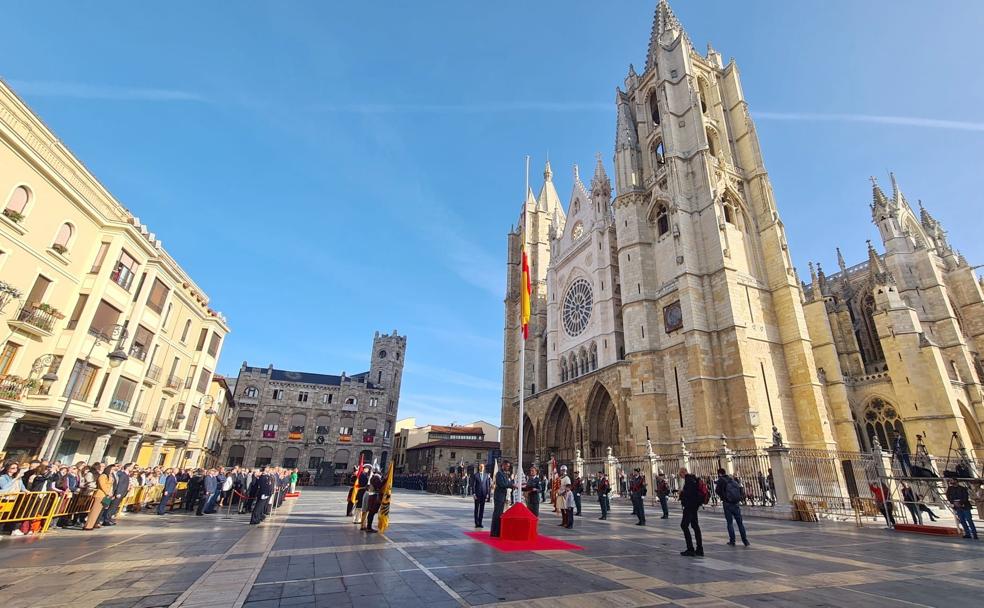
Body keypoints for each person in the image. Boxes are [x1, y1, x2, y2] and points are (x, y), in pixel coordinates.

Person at [714, 468, 749, 546]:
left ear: (719, 474)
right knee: (740, 523)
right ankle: (745, 540)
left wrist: (723, 496)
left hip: (727, 504)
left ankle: (732, 541)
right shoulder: (731, 479)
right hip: (736, 503)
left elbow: (717, 491)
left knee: (729, 523)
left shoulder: (721, 480)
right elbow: (740, 489)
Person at [678, 467, 704, 557]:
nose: (680, 476)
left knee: (684, 525)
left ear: (683, 472)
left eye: (680, 474)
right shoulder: (694, 479)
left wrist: (681, 493)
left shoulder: (688, 480)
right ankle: (700, 549)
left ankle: (690, 549)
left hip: (689, 506)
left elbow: (689, 494)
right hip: (694, 506)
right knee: (695, 526)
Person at [84, 463, 116, 531]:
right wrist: (108, 493)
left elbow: (111, 486)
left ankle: (95, 523)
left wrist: (111, 494)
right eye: (112, 469)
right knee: (95, 510)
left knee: (101, 510)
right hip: (101, 495)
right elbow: (102, 485)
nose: (113, 471)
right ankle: (88, 525)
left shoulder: (110, 477)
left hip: (107, 496)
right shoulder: (103, 476)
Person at [490, 460, 516, 538]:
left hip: (503, 495)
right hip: (499, 496)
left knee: (500, 514)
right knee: (497, 514)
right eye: (507, 466)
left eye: (508, 466)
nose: (508, 467)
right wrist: (512, 485)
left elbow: (508, 482)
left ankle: (498, 531)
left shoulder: (505, 474)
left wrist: (511, 483)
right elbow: (502, 484)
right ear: (503, 465)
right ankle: (494, 532)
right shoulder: (499, 474)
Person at [364, 467, 384, 533]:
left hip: (372, 496)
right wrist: (385, 480)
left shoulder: (374, 477)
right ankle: (369, 527)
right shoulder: (376, 478)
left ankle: (368, 526)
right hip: (374, 497)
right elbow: (380, 486)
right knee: (371, 513)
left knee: (371, 513)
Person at [472, 463, 491, 528]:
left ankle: (480, 523)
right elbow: (473, 485)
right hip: (477, 494)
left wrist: (488, 494)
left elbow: (487, 485)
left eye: (483, 467)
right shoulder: (475, 475)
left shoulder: (486, 475)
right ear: (479, 467)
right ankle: (476, 523)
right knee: (476, 509)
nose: (482, 468)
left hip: (483, 494)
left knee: (482, 509)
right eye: (480, 466)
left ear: (484, 468)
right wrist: (474, 493)